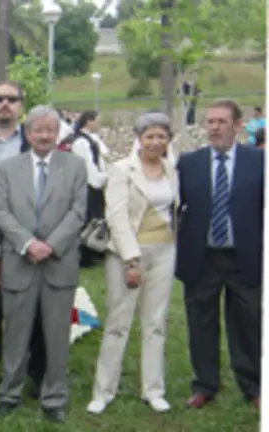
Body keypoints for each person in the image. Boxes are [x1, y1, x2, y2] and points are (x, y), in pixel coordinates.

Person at [0, 105, 87, 423]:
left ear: (57, 132)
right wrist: (28, 243)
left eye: (50, 129)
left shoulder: (74, 166)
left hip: (58, 263)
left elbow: (78, 211)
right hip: (20, 262)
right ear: (28, 133)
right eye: (38, 130)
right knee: (16, 334)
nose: (44, 135)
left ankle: (54, 396)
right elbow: (1, 211)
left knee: (57, 336)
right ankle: (10, 393)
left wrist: (51, 245)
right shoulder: (7, 169)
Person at [87, 112, 178, 415]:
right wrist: (132, 260)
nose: (155, 142)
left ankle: (153, 389)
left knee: (155, 323)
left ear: (168, 140)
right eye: (149, 136)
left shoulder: (171, 169)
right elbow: (116, 216)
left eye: (161, 136)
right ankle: (103, 391)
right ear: (139, 139)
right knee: (118, 322)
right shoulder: (121, 170)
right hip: (128, 252)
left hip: (164, 250)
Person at [176, 99, 263, 409]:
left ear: (238, 126)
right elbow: (177, 206)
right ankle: (205, 384)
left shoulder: (259, 161)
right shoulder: (189, 163)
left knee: (248, 323)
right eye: (210, 121)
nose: (214, 127)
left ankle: (252, 386)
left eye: (221, 122)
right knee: (201, 322)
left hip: (244, 258)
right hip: (202, 257)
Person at [0, 81, 46, 399]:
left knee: (32, 306)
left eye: (11, 99)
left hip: (27, 230)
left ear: (21, 104)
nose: (4, 104)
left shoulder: (34, 143)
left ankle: (37, 372)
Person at [70, 110, 109, 268]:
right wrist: (100, 179)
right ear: (89, 121)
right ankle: (84, 256)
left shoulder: (91, 139)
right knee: (88, 221)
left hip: (93, 185)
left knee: (96, 219)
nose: (99, 123)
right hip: (87, 186)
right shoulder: (81, 142)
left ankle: (94, 251)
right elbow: (87, 165)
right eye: (97, 120)